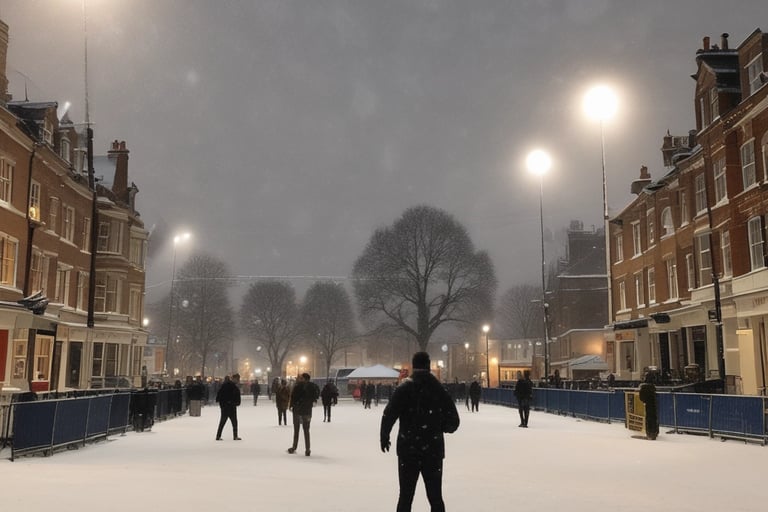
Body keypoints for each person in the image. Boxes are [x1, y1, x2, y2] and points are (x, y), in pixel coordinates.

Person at [380, 352, 460, 512]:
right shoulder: (438, 389)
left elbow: (389, 414)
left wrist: (384, 435)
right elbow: (454, 421)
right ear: (428, 366)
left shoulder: (404, 388)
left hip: (408, 448)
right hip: (433, 450)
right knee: (435, 497)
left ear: (413, 365)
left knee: (405, 497)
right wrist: (438, 427)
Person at [287, 372, 320, 456]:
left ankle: (294, 447)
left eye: (301, 378)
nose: (299, 379)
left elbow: (293, 397)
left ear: (304, 379)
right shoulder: (313, 386)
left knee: (296, 430)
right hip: (307, 411)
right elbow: (316, 396)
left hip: (297, 411)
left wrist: (291, 406)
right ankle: (307, 449)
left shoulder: (298, 386)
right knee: (306, 431)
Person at [215, 374, 242, 440]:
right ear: (234, 378)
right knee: (232, 422)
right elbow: (222, 395)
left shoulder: (227, 385)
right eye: (237, 379)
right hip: (229, 406)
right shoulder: (230, 386)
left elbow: (219, 394)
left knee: (224, 422)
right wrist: (234, 402)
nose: (238, 381)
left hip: (227, 406)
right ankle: (234, 436)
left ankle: (218, 436)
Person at [638, 373, 659, 440]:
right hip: (653, 404)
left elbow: (641, 397)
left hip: (648, 404)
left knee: (649, 418)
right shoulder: (652, 387)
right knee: (654, 418)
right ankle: (654, 432)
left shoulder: (644, 387)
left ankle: (650, 432)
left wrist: (645, 401)